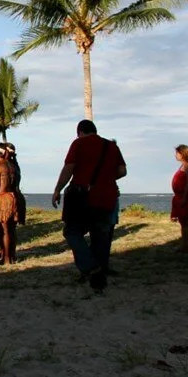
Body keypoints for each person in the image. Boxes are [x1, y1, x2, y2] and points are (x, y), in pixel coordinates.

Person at [51, 120, 127, 291]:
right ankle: (99, 273)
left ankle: (89, 266)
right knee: (100, 234)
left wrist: (57, 189)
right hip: (107, 196)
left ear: (80, 132)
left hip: (82, 196)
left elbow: (69, 168)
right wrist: (106, 179)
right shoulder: (111, 146)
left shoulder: (79, 144)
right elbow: (122, 171)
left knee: (72, 232)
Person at [170, 145, 188, 254]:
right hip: (180, 195)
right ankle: (185, 244)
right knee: (184, 222)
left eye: (177, 153)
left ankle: (187, 246)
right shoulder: (184, 165)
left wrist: (184, 198)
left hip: (184, 197)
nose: (176, 155)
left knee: (186, 222)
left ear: (183, 153)